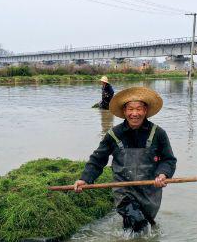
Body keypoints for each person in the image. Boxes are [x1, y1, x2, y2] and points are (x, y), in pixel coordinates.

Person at [74, 87, 177, 231]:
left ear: (145, 111)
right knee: (135, 219)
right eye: (130, 109)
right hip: (123, 190)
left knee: (144, 224)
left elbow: (168, 159)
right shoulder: (114, 134)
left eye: (139, 109)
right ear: (124, 112)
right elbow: (98, 159)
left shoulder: (158, 133)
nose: (134, 113)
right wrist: (85, 178)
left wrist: (162, 174)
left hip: (149, 189)